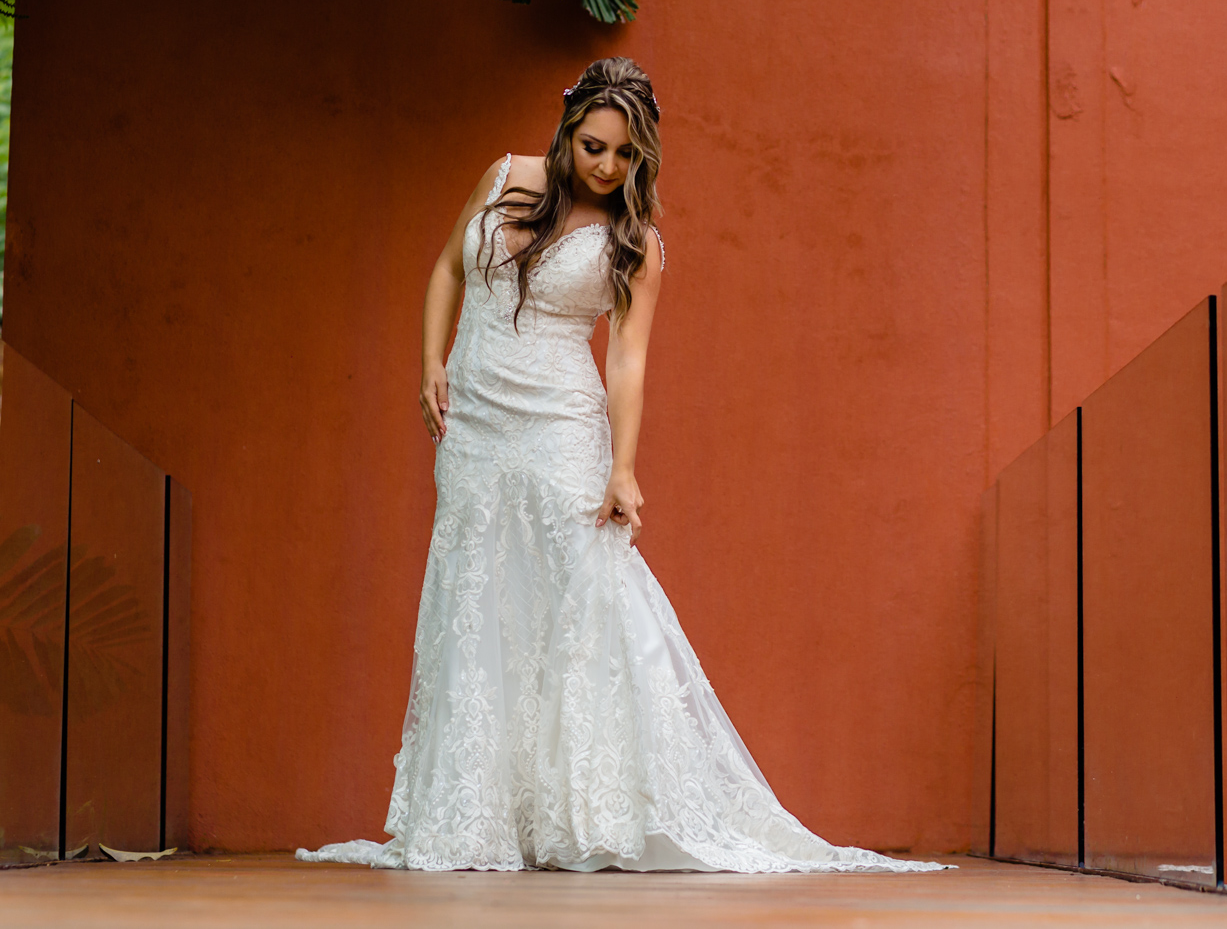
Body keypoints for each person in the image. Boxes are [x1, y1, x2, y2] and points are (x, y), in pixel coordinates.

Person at [297, 57, 948, 873]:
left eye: (625, 155)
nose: (606, 166)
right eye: (594, 145)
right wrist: (430, 361)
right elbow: (446, 267)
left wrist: (624, 468)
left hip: (562, 424)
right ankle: (482, 810)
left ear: (644, 158)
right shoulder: (505, 176)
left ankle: (595, 807)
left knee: (585, 596)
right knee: (476, 595)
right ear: (568, 128)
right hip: (474, 428)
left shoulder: (636, 245)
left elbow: (629, 362)